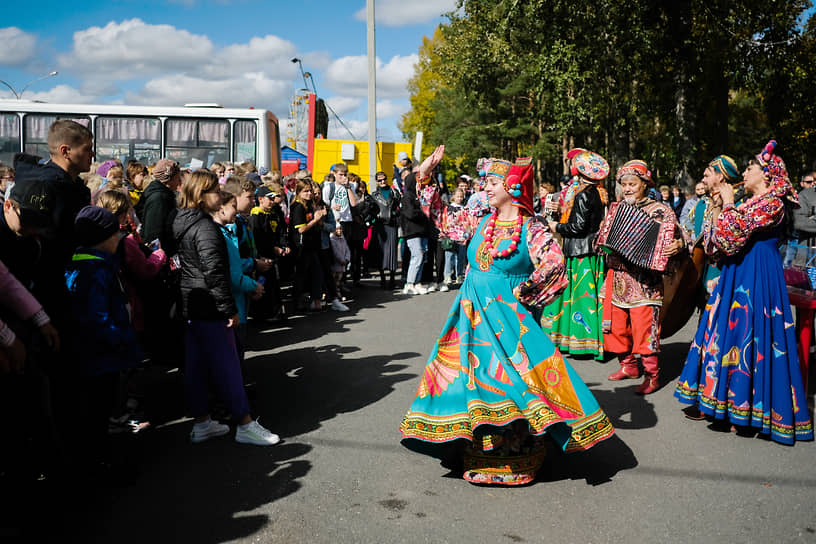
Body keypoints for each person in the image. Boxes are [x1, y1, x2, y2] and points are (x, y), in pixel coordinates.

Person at [400, 147, 614, 485]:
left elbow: (555, 265)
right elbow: (440, 215)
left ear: (513, 187)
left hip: (508, 322)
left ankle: (517, 456)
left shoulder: (532, 229)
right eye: (485, 183)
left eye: (493, 183)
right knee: (471, 380)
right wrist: (423, 175)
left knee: (512, 384)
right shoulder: (480, 221)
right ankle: (477, 452)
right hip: (471, 317)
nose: (485, 188)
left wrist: (524, 295)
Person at [675, 141, 813, 444]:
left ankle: (749, 411)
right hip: (735, 272)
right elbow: (718, 241)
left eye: (750, 169)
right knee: (725, 335)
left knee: (752, 337)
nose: (745, 173)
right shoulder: (748, 201)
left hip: (757, 275)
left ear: (765, 175)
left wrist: (726, 205)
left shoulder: (773, 202)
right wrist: (720, 208)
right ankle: (721, 404)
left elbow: (732, 234)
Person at [172, 170, 279, 446]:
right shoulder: (206, 227)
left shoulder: (182, 220)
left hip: (192, 305)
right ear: (201, 195)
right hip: (209, 307)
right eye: (215, 192)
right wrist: (228, 309)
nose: (220, 197)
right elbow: (215, 274)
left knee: (196, 368)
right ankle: (244, 424)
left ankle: (202, 423)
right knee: (229, 367)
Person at [597, 160, 687, 395]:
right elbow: (603, 238)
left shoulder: (661, 211)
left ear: (645, 185)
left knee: (644, 329)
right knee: (615, 327)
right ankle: (628, 366)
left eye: (632, 184)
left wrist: (679, 244)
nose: (627, 189)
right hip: (617, 278)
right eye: (623, 184)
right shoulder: (615, 209)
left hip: (645, 282)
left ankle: (652, 375)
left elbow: (681, 235)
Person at [64, 206, 142, 475]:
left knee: (100, 410)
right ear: (103, 237)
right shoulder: (93, 271)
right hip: (100, 357)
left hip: (102, 355)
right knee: (97, 412)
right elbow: (98, 318)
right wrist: (122, 340)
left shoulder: (94, 265)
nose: (120, 238)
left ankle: (99, 458)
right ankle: (97, 464)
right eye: (115, 233)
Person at [542, 150, 608, 361]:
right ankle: (586, 340)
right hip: (591, 252)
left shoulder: (582, 194)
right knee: (588, 298)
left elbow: (577, 227)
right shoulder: (597, 192)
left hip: (579, 252)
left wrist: (556, 226)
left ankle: (577, 342)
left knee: (576, 297)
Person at [211, 190, 264, 362]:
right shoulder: (220, 236)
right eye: (233, 206)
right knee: (232, 354)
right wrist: (253, 285)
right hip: (231, 305)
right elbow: (232, 274)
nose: (236, 210)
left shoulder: (227, 232)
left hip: (238, 302)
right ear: (221, 208)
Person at [290, 179, 326, 311]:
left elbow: (319, 223)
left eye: (310, 191)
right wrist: (315, 220)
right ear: (298, 192)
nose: (309, 194)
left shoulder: (310, 205)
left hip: (313, 245)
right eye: (306, 191)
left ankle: (315, 300)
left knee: (316, 272)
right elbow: (301, 229)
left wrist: (319, 218)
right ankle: (297, 301)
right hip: (302, 246)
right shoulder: (298, 207)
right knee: (301, 274)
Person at [140, 158, 181, 253]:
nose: (179, 181)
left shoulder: (164, 195)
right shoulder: (159, 199)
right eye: (177, 177)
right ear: (169, 179)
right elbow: (153, 233)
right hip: (158, 255)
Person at [371, 170, 401, 290]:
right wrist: (375, 216)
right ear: (377, 182)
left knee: (392, 252)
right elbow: (371, 210)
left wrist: (395, 213)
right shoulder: (374, 195)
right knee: (381, 252)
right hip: (379, 226)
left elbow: (400, 207)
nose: (382, 181)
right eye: (380, 180)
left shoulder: (394, 192)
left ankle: (392, 279)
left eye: (384, 179)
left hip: (391, 224)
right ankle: (383, 279)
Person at [792, 171, 816, 245]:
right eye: (808, 182)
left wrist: (812, 218)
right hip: (809, 250)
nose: (811, 183)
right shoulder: (805, 195)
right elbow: (798, 222)